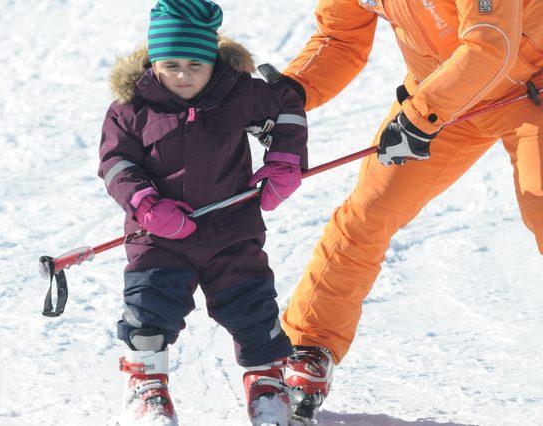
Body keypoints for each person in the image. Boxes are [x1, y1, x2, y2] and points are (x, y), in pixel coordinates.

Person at [269, 0, 543, 421]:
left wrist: (420, 114)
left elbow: (491, 43)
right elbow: (340, 39)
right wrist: (291, 91)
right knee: (368, 213)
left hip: (531, 87)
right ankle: (308, 347)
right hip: (447, 99)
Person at [97, 1, 308, 423]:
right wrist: (146, 205)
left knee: (252, 308)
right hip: (159, 237)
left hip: (232, 231)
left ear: (213, 59)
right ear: (153, 61)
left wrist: (285, 159)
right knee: (148, 311)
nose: (183, 74)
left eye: (196, 63)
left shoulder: (238, 91)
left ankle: (266, 386)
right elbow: (115, 164)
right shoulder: (131, 108)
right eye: (170, 63)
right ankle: (146, 388)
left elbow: (289, 102)